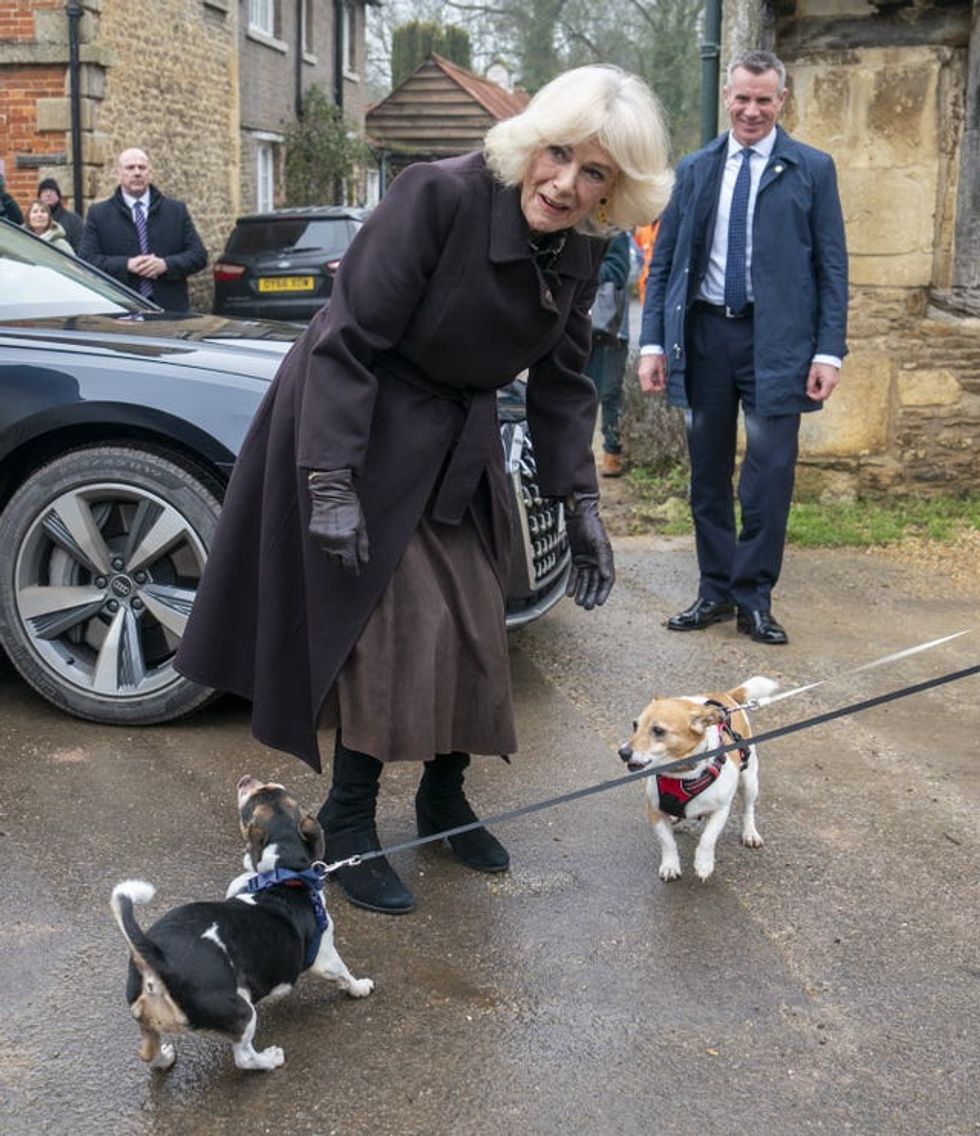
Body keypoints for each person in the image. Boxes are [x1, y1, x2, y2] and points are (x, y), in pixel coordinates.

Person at [175, 64, 673, 916]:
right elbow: (346, 338)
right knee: (393, 623)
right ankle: (351, 819)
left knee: (480, 614)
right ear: (532, 142)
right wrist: (329, 481)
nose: (566, 184)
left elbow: (561, 377)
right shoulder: (434, 194)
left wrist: (580, 501)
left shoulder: (585, 241)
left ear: (616, 188)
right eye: (559, 155)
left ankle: (445, 800)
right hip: (358, 418)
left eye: (596, 173)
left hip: (454, 432)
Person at [638, 49, 847, 645]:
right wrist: (653, 341)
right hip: (706, 339)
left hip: (777, 344)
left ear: (782, 100)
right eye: (741, 98)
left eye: (763, 99)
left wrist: (827, 352)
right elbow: (665, 263)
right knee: (707, 472)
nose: (751, 110)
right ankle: (714, 591)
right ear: (728, 98)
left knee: (769, 474)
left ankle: (754, 598)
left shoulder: (811, 169)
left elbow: (832, 267)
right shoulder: (698, 168)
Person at [79, 147, 206, 311]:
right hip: (120, 310)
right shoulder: (99, 214)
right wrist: (126, 265)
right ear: (119, 174)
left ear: (150, 173)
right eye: (130, 168)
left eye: (142, 167)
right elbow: (86, 259)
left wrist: (165, 265)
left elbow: (199, 256)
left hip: (170, 311)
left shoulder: (176, 211)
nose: (137, 172)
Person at [585, 230, 631, 477]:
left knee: (608, 394)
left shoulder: (614, 226)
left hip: (606, 331)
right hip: (569, 329)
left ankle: (611, 452)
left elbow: (619, 272)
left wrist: (580, 270)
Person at [37, 177, 84, 252]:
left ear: (58, 196)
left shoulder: (74, 221)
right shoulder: (34, 221)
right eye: (44, 191)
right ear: (39, 197)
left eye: (52, 191)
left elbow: (81, 248)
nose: (48, 194)